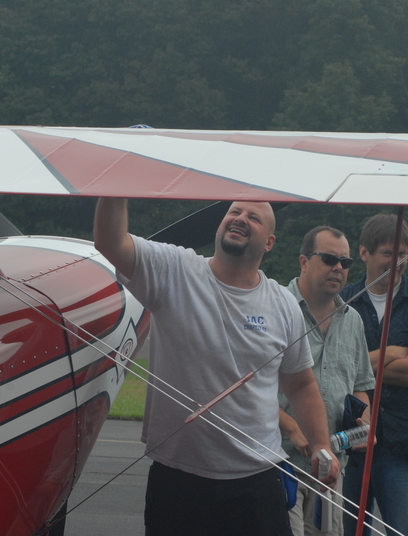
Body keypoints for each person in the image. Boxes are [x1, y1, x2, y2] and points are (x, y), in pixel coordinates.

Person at [93, 198, 340, 536]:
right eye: (234, 212)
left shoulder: (282, 303)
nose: (240, 218)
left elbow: (300, 385)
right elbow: (110, 242)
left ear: (269, 242)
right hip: (179, 479)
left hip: (257, 479)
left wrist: (321, 443)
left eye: (253, 217)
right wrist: (115, 190)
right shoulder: (174, 269)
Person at [340, 214, 408, 536]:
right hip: (350, 440)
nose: (397, 261)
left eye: (403, 254)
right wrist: (389, 353)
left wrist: (357, 365)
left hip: (406, 442)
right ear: (364, 253)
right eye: (388, 253)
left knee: (407, 530)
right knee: (342, 530)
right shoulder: (342, 302)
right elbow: (329, 368)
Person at [279, 226, 375, 536]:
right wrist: (291, 428)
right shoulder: (276, 306)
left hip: (331, 468)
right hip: (280, 461)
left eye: (345, 262)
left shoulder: (353, 320)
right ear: (304, 261)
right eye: (329, 259)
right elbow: (250, 386)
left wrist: (364, 424)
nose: (338, 268)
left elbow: (359, 385)